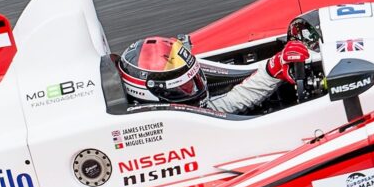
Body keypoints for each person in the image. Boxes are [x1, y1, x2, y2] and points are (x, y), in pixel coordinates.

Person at [118, 34, 316, 115]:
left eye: (193, 79)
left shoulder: (170, 107)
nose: (195, 88)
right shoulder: (166, 126)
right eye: (185, 86)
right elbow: (222, 108)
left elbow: (220, 105)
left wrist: (272, 69)